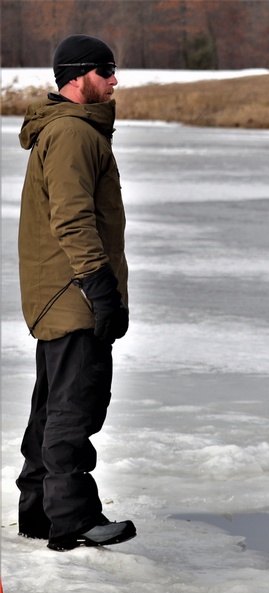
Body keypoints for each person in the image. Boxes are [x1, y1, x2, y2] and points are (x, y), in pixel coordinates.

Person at [16, 34, 136, 552]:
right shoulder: (71, 134)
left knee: (52, 405)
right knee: (74, 407)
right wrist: (100, 288)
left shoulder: (72, 131)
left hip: (60, 294)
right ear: (78, 75)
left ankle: (40, 512)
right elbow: (73, 220)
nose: (114, 80)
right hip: (73, 295)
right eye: (106, 71)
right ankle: (72, 520)